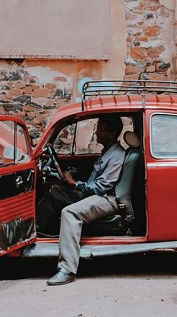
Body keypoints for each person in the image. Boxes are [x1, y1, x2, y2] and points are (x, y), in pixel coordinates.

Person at [36, 114, 126, 286]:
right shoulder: (108, 151)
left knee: (69, 212)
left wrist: (75, 184)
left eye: (100, 128)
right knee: (55, 190)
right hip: (98, 195)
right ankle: (41, 230)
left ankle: (67, 269)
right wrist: (73, 182)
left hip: (107, 199)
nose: (97, 132)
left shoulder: (117, 155)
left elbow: (101, 188)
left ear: (112, 132)